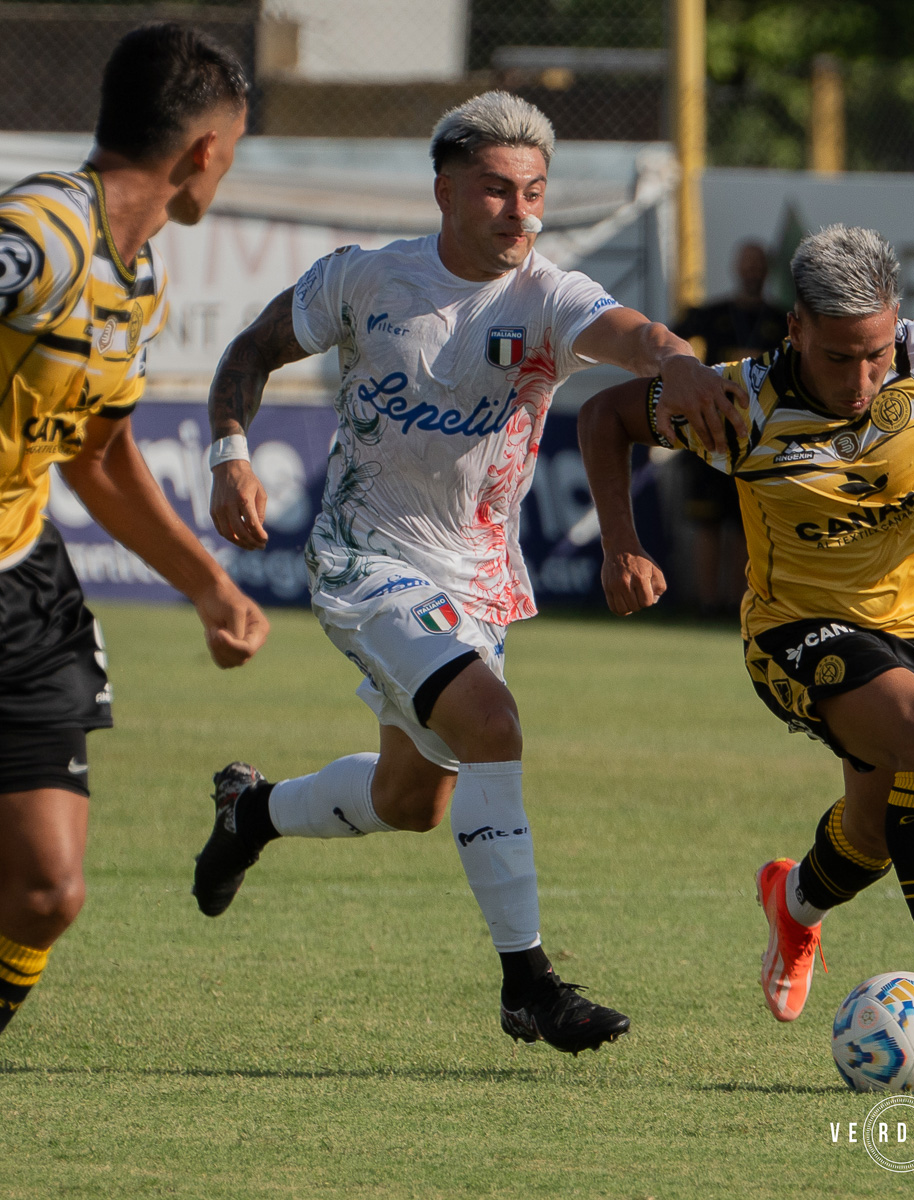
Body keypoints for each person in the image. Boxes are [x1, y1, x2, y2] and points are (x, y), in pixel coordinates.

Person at [192, 92, 745, 1055]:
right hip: (364, 559)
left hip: (478, 581)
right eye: (496, 190)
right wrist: (228, 450)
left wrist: (682, 363)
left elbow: (635, 336)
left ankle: (254, 811)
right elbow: (249, 350)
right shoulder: (364, 281)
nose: (520, 213)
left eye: (533, 193)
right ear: (444, 189)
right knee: (493, 723)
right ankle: (528, 985)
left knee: (413, 802)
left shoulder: (548, 297)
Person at [576, 225, 914, 1048]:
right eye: (840, 357)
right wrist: (621, 545)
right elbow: (603, 418)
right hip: (795, 630)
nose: (862, 379)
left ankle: (793, 901)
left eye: (876, 355)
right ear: (796, 331)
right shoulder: (736, 402)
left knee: (878, 834)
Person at [0, 24, 268, 1035]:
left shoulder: (140, 280)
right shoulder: (41, 235)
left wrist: (207, 584)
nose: (225, 173)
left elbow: (100, 456)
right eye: (231, 154)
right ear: (203, 151)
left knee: (45, 890)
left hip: (23, 581)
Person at [670, 241, 786, 616]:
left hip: (759, 435)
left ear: (766, 271)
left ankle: (739, 603)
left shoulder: (780, 319)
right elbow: (671, 339)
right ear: (737, 268)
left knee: (744, 524)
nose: (752, 272)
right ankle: (707, 602)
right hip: (710, 428)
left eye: (758, 265)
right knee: (708, 520)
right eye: (746, 264)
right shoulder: (714, 313)